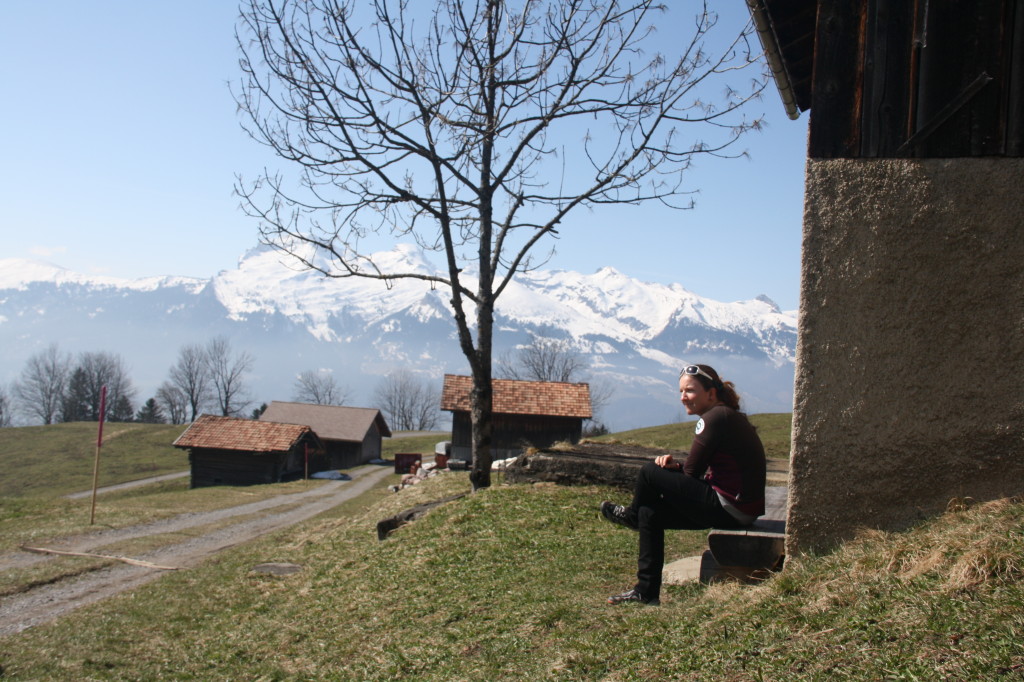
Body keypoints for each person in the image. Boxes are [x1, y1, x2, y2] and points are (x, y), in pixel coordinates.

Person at [600, 363, 766, 605]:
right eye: (680, 392)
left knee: (649, 472)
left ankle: (631, 516)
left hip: (729, 507)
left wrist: (671, 473)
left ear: (711, 393)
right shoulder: (726, 416)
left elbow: (692, 474)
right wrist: (675, 469)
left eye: (690, 391)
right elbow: (693, 472)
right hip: (739, 508)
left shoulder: (714, 418)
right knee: (651, 513)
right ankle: (646, 592)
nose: (683, 398)